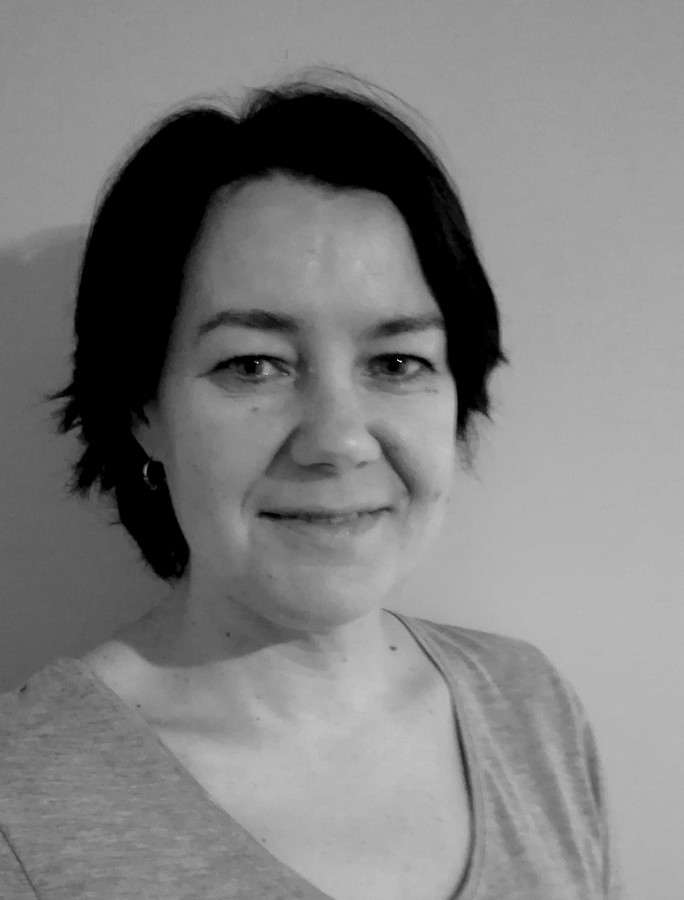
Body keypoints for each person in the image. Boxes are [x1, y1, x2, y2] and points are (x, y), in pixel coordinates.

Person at [0, 75, 620, 899]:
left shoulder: (532, 710)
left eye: (396, 362)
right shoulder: (23, 803)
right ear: (143, 408)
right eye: (253, 364)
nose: (338, 440)